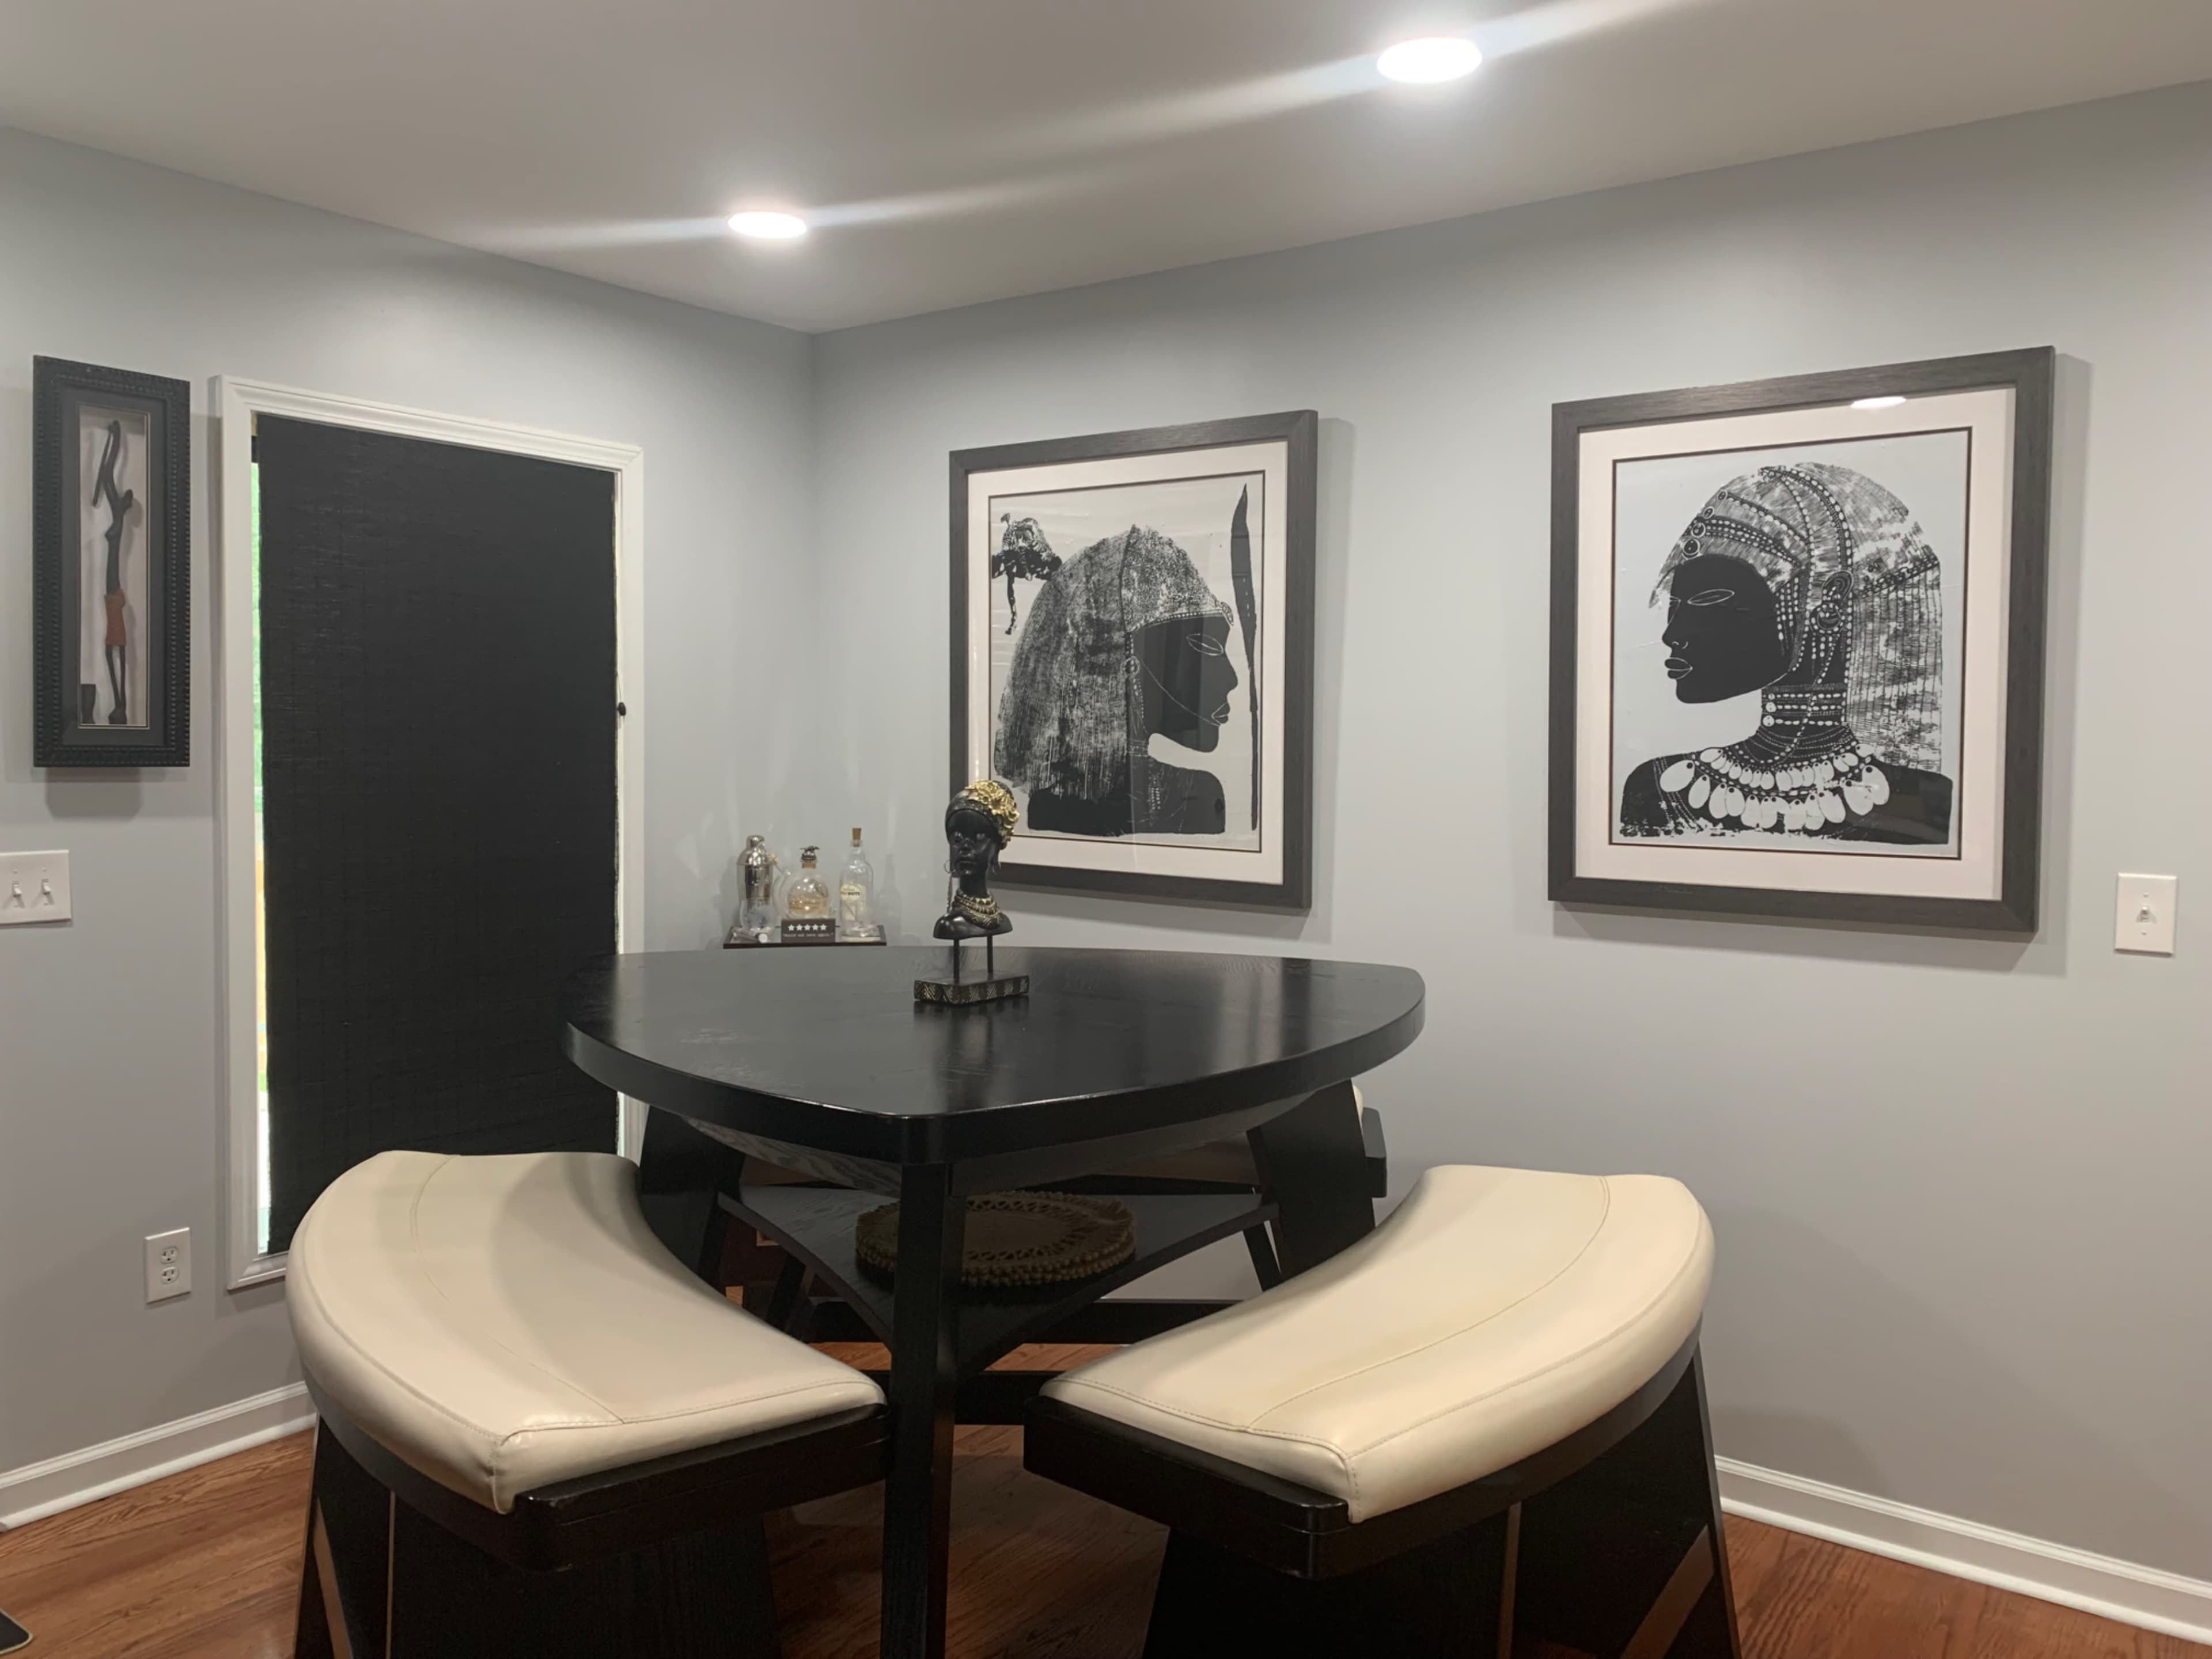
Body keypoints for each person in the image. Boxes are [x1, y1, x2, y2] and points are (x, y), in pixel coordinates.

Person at [1619, 461, 1953, 844]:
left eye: (1710, 602)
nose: (1672, 634)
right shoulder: (1658, 789)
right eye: (1675, 608)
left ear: (1828, 598)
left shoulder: (1925, 799)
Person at [995, 524, 1237, 838]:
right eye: (1208, 648)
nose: (1232, 679)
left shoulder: (1047, 803)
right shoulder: (1195, 796)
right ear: (1127, 666)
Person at [934, 778, 1019, 941]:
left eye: (979, 837)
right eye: (957, 838)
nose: (965, 847)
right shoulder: (949, 925)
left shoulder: (1000, 921)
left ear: (997, 846)